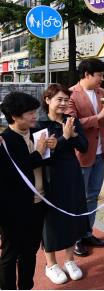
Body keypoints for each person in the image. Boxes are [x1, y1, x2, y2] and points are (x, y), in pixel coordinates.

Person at [0, 92, 57, 289]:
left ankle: (26, 286)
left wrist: (51, 148)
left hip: (38, 203)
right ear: (14, 116)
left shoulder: (37, 133)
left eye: (35, 111)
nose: (35, 116)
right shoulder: (5, 141)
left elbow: (45, 163)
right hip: (13, 209)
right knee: (10, 253)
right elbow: (17, 172)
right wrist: (39, 152)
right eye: (29, 113)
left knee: (30, 251)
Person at [66, 58, 104, 257]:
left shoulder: (103, 93)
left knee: (93, 195)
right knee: (78, 197)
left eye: (103, 76)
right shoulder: (71, 94)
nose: (102, 80)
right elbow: (73, 124)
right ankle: (76, 238)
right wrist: (99, 116)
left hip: (101, 152)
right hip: (81, 154)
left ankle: (87, 232)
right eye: (99, 75)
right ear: (87, 74)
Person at [39, 84, 90, 284]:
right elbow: (42, 155)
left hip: (72, 175)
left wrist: (74, 136)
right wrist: (64, 138)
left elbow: (84, 147)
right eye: (58, 99)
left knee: (73, 215)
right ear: (48, 100)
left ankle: (69, 260)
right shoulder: (40, 125)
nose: (62, 104)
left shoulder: (72, 121)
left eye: (65, 100)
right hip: (50, 177)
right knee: (50, 221)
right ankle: (51, 264)